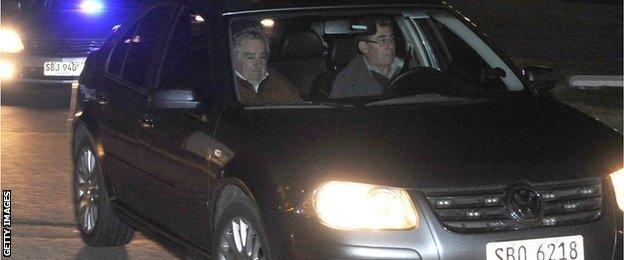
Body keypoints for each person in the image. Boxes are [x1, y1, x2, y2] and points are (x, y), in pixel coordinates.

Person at [330, 17, 405, 99]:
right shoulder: (347, 81)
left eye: (392, 39)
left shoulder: (409, 67)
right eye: (382, 41)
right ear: (364, 47)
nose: (390, 46)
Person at [231, 26, 302, 105]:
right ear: (235, 59)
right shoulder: (227, 87)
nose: (258, 63)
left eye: (262, 57)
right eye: (251, 57)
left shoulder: (281, 84)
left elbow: (300, 112)